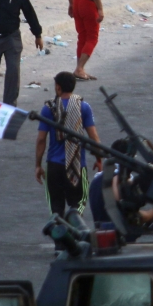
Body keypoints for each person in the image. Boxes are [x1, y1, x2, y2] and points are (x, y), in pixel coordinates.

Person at [36, 72, 99, 224]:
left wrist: (38, 165)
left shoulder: (48, 109)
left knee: (56, 210)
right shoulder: (83, 107)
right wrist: (99, 158)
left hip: (54, 166)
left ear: (58, 87)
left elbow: (41, 139)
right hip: (77, 166)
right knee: (78, 205)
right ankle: (76, 238)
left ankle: (60, 245)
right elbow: (94, 138)